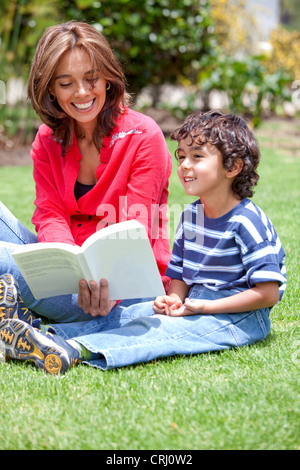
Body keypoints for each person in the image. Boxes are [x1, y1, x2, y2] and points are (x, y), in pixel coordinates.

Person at [0, 110, 286, 375]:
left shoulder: (247, 221)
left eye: (197, 157)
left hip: (242, 315)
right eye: (182, 155)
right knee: (129, 316)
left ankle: (75, 348)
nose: (184, 165)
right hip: (195, 301)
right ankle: (39, 337)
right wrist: (174, 298)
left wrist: (205, 308)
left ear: (233, 167)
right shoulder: (190, 217)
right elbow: (180, 273)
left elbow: (268, 293)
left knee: (160, 331)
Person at [0, 21, 172, 323]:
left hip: (122, 289)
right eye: (66, 83)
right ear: (50, 88)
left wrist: (101, 287)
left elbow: (136, 231)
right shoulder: (47, 139)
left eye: (91, 78)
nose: (81, 93)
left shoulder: (144, 136)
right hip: (66, 277)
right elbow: (50, 213)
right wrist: (65, 266)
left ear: (107, 78)